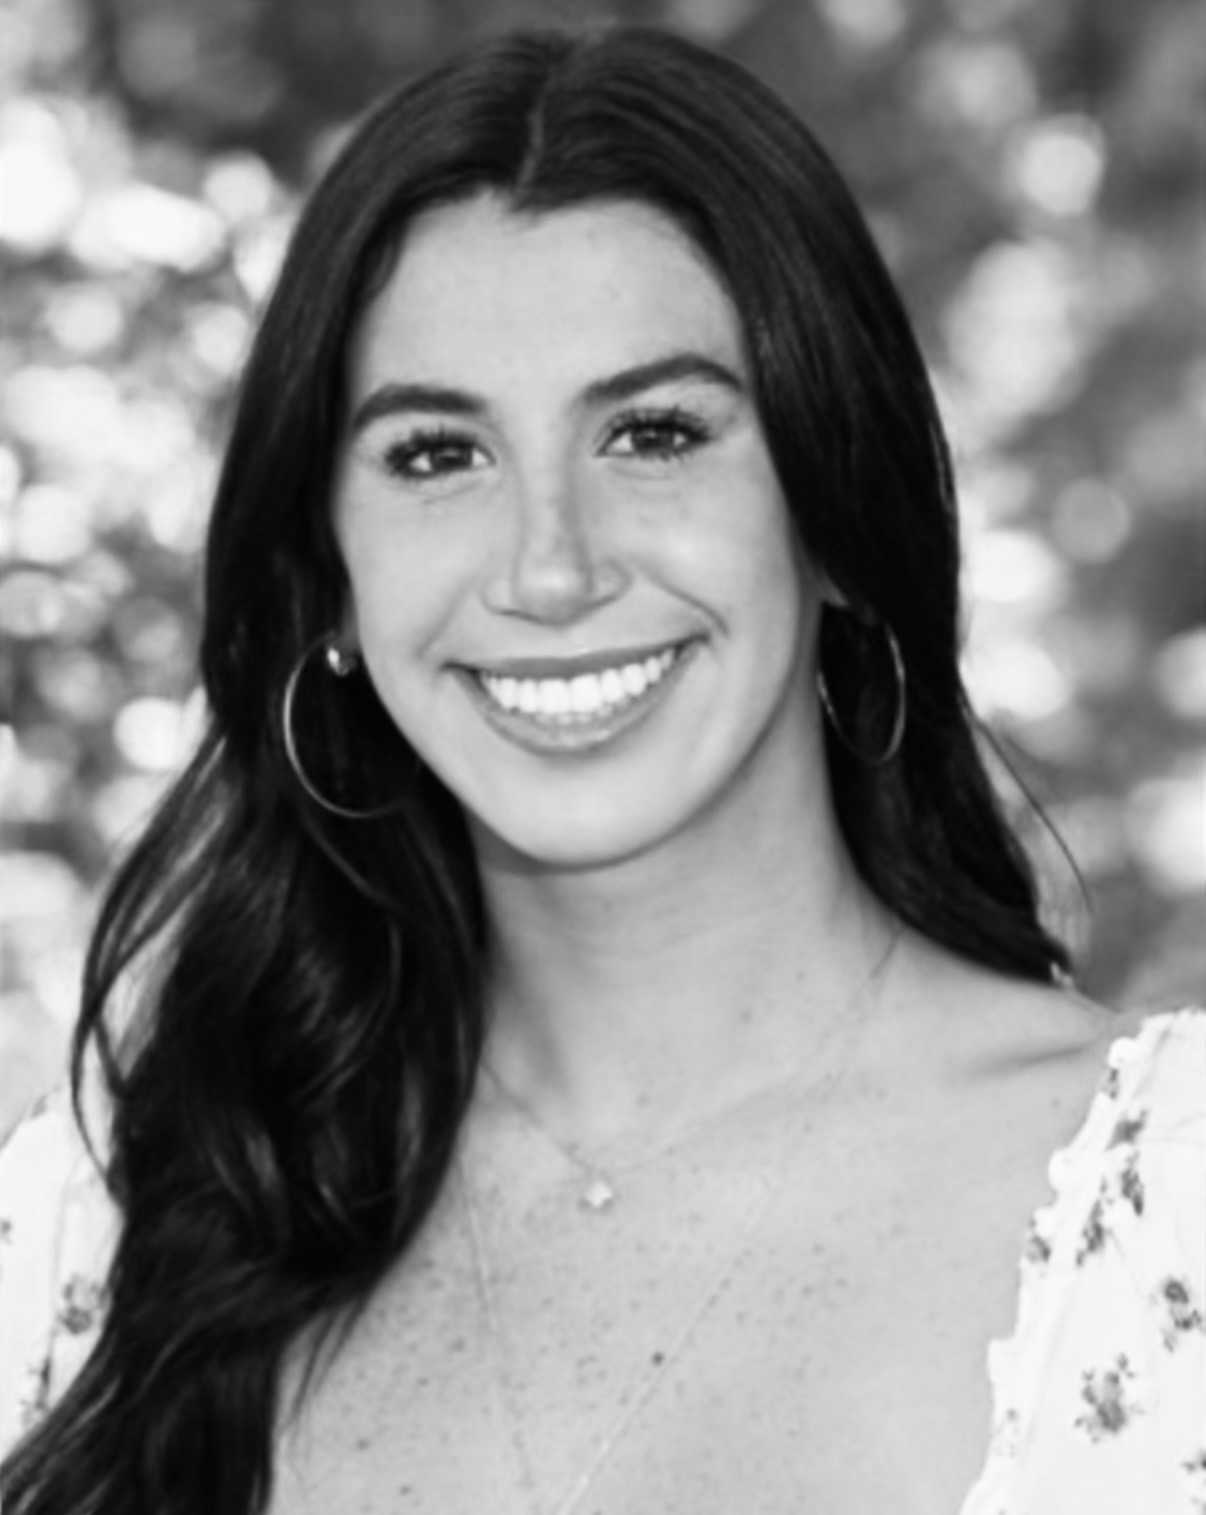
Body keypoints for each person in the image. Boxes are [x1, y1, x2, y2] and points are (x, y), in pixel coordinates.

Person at [0, 24, 1201, 1515]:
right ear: (329, 585)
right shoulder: (117, 1220)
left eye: (652, 432)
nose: (550, 570)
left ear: (834, 513)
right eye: (437, 455)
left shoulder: (1169, 1211)